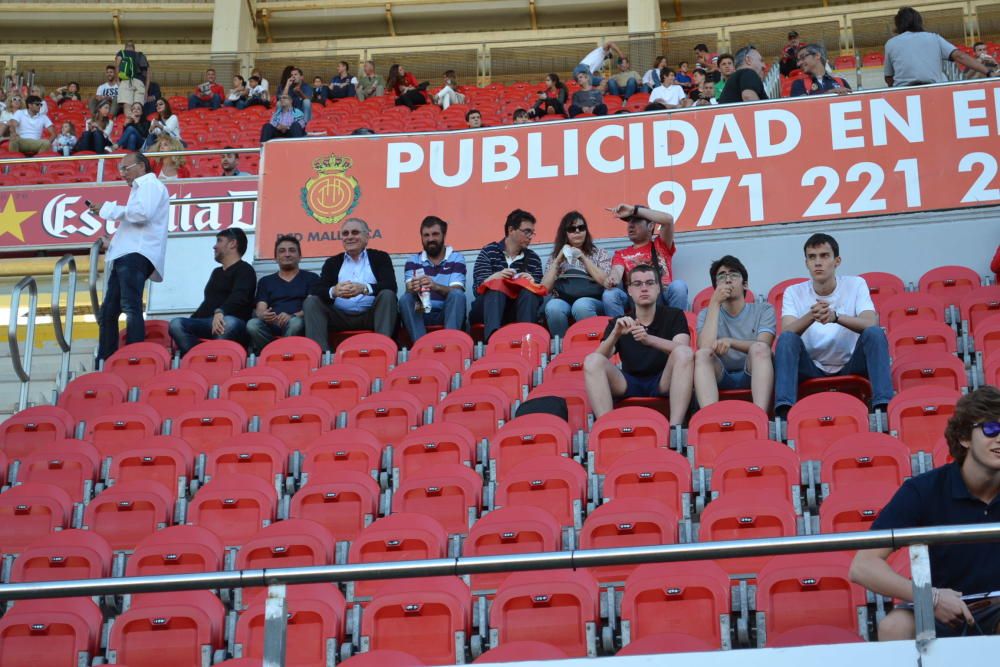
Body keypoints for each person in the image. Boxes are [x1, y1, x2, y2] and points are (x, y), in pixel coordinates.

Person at [850, 386, 1000, 640]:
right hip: (941, 608)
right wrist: (930, 597)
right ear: (964, 437)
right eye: (991, 429)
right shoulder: (923, 490)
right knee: (894, 627)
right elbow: (862, 566)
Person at [774, 233, 893, 418]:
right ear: (806, 263)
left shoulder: (856, 284)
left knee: (875, 334)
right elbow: (786, 332)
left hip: (852, 363)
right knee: (787, 340)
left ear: (837, 261)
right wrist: (812, 316)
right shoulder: (793, 292)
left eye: (824, 256)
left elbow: (871, 322)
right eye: (812, 257)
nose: (818, 262)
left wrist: (835, 317)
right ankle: (784, 413)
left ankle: (884, 407)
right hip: (811, 367)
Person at [584, 264, 693, 424]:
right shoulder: (619, 322)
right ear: (629, 290)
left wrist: (648, 339)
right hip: (628, 382)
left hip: (663, 380)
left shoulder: (674, 315)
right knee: (591, 360)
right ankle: (606, 427)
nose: (644, 288)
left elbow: (683, 349)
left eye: (649, 283)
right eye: (637, 284)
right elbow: (599, 358)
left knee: (684, 353)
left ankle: (674, 428)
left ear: (658, 288)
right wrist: (615, 334)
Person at [87, 152, 169, 362]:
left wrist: (109, 209)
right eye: (121, 169)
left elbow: (142, 214)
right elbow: (136, 226)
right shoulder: (143, 188)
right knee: (109, 311)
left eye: (126, 168)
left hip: (136, 255)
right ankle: (106, 359)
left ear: (141, 166)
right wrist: (113, 243)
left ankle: (133, 356)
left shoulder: (150, 185)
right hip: (129, 253)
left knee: (129, 306)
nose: (123, 173)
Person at [694, 256, 775, 412]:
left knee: (760, 349)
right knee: (702, 355)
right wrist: (714, 303)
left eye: (734, 275)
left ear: (745, 284)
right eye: (722, 276)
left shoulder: (763, 309)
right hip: (721, 374)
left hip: (752, 371)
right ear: (715, 286)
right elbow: (704, 347)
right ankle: (710, 418)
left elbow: (765, 345)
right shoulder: (706, 313)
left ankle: (761, 415)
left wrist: (731, 342)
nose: (728, 280)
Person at [303, 218, 398, 348]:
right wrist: (334, 291)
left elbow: (391, 285)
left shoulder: (380, 257)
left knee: (388, 295)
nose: (350, 237)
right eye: (345, 234)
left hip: (371, 315)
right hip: (339, 316)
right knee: (311, 302)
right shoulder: (332, 262)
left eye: (355, 232)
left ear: (366, 237)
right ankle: (321, 354)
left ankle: (384, 348)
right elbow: (316, 289)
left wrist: (364, 288)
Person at [169, 228, 256, 355]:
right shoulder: (216, 273)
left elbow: (240, 297)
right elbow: (208, 303)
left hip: (233, 324)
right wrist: (191, 321)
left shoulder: (245, 270)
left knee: (228, 323)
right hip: (208, 323)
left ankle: (214, 358)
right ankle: (198, 357)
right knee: (176, 324)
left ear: (233, 244)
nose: (214, 246)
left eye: (219, 241)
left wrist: (221, 312)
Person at [471, 209, 544, 342]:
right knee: (496, 288)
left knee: (529, 294)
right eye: (527, 231)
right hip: (488, 309)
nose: (530, 236)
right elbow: (477, 289)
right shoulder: (489, 251)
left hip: (518, 310)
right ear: (511, 230)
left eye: (532, 232)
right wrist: (495, 277)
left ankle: (527, 342)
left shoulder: (533, 258)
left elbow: (539, 293)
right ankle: (493, 342)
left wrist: (531, 283)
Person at [603, 203, 687, 316]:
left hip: (661, 296)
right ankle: (621, 331)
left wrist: (634, 210)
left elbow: (668, 220)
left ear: (651, 226)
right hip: (635, 300)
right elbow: (616, 273)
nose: (630, 225)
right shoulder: (621, 254)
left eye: (636, 221)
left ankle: (677, 328)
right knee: (610, 294)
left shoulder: (661, 244)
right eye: (629, 222)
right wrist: (612, 279)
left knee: (679, 286)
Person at [541, 211, 610, 338]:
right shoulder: (556, 256)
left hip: (593, 300)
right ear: (565, 233)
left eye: (581, 228)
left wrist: (583, 257)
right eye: (572, 229)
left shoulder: (599, 253)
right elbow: (544, 289)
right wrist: (557, 261)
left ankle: (594, 344)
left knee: (581, 305)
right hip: (563, 299)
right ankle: (563, 346)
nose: (577, 231)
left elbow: (606, 282)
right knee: (553, 307)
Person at [885, 7, 996, 86]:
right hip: (934, 89)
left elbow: (889, 78)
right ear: (919, 22)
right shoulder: (934, 38)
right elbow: (959, 56)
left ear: (898, 25)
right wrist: (988, 72)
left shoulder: (891, 43)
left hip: (903, 93)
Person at [399, 216, 468, 343]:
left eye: (435, 234)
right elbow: (409, 290)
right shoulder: (413, 260)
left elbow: (457, 290)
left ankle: (451, 345)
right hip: (421, 312)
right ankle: (421, 346)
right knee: (406, 298)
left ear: (444, 235)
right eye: (426, 235)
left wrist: (435, 286)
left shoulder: (457, 258)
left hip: (446, 312)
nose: (430, 239)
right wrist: (413, 288)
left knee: (457, 295)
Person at [247, 235, 320, 355]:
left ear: (300, 256)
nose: (287, 254)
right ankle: (273, 354)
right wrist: (265, 315)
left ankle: (282, 355)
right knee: (252, 324)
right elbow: (260, 308)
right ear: (275, 258)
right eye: (282, 251)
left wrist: (292, 316)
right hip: (272, 325)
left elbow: (312, 307)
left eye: (292, 250)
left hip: (298, 324)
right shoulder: (266, 281)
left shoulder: (312, 278)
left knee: (295, 323)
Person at [114, 41, 151, 115]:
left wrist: (117, 81)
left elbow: (117, 66)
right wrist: (146, 90)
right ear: (134, 48)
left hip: (126, 81)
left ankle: (130, 124)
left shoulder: (122, 53)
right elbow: (148, 73)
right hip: (140, 82)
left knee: (127, 105)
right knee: (138, 106)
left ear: (125, 47)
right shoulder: (141, 55)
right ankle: (136, 123)